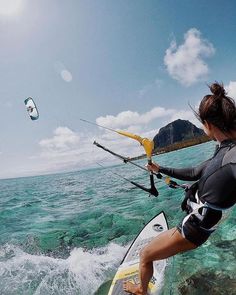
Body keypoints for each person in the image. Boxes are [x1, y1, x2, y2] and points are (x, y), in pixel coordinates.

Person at [123, 82, 236, 295]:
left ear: (207, 124)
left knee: (145, 255)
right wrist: (160, 168)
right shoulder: (224, 150)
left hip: (192, 230)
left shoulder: (232, 155)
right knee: (151, 251)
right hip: (199, 224)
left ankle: (141, 291)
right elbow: (195, 172)